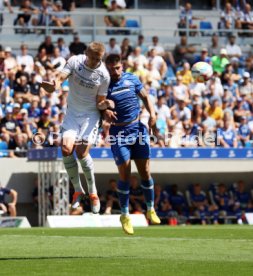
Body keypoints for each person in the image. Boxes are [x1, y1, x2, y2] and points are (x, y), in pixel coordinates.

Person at [40, 42, 113, 214]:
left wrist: (106, 105)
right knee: (65, 149)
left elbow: (99, 102)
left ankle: (93, 192)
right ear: (87, 53)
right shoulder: (74, 61)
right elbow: (59, 78)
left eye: (99, 59)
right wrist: (53, 86)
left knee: (81, 152)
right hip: (72, 113)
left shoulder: (103, 75)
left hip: (90, 116)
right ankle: (78, 191)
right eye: (94, 57)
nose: (96, 61)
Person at [104, 54, 160, 235]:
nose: (115, 71)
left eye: (117, 68)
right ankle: (125, 215)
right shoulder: (104, 85)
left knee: (145, 172)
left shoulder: (131, 78)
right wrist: (105, 108)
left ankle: (151, 208)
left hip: (138, 129)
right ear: (107, 68)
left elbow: (145, 96)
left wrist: (152, 114)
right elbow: (98, 105)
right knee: (125, 174)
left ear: (122, 66)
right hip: (119, 134)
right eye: (111, 69)